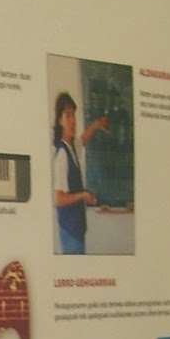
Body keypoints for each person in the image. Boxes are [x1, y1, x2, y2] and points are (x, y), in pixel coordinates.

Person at [52, 91, 108, 255]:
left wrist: (96, 125)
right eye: (68, 115)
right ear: (59, 120)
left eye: (74, 115)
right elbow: (58, 199)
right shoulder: (62, 154)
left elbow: (82, 140)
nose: (73, 120)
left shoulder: (71, 147)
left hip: (76, 229)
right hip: (70, 232)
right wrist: (83, 195)